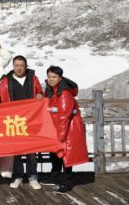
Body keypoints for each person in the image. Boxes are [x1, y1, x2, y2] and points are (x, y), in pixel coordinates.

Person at [0, 56, 44, 190]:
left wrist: (40, 94)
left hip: (31, 119)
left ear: (26, 66)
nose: (19, 68)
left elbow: (40, 91)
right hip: (13, 120)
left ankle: (33, 176)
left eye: (21, 65)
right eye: (16, 65)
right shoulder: (6, 81)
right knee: (16, 150)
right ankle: (17, 176)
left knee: (31, 150)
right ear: (13, 66)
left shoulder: (32, 78)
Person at [43, 66, 88, 194]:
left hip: (67, 129)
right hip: (57, 127)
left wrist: (61, 136)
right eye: (49, 77)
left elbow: (64, 116)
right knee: (55, 154)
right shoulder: (52, 89)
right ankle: (55, 176)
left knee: (66, 156)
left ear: (60, 78)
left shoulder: (64, 92)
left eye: (54, 77)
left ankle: (66, 182)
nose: (51, 79)